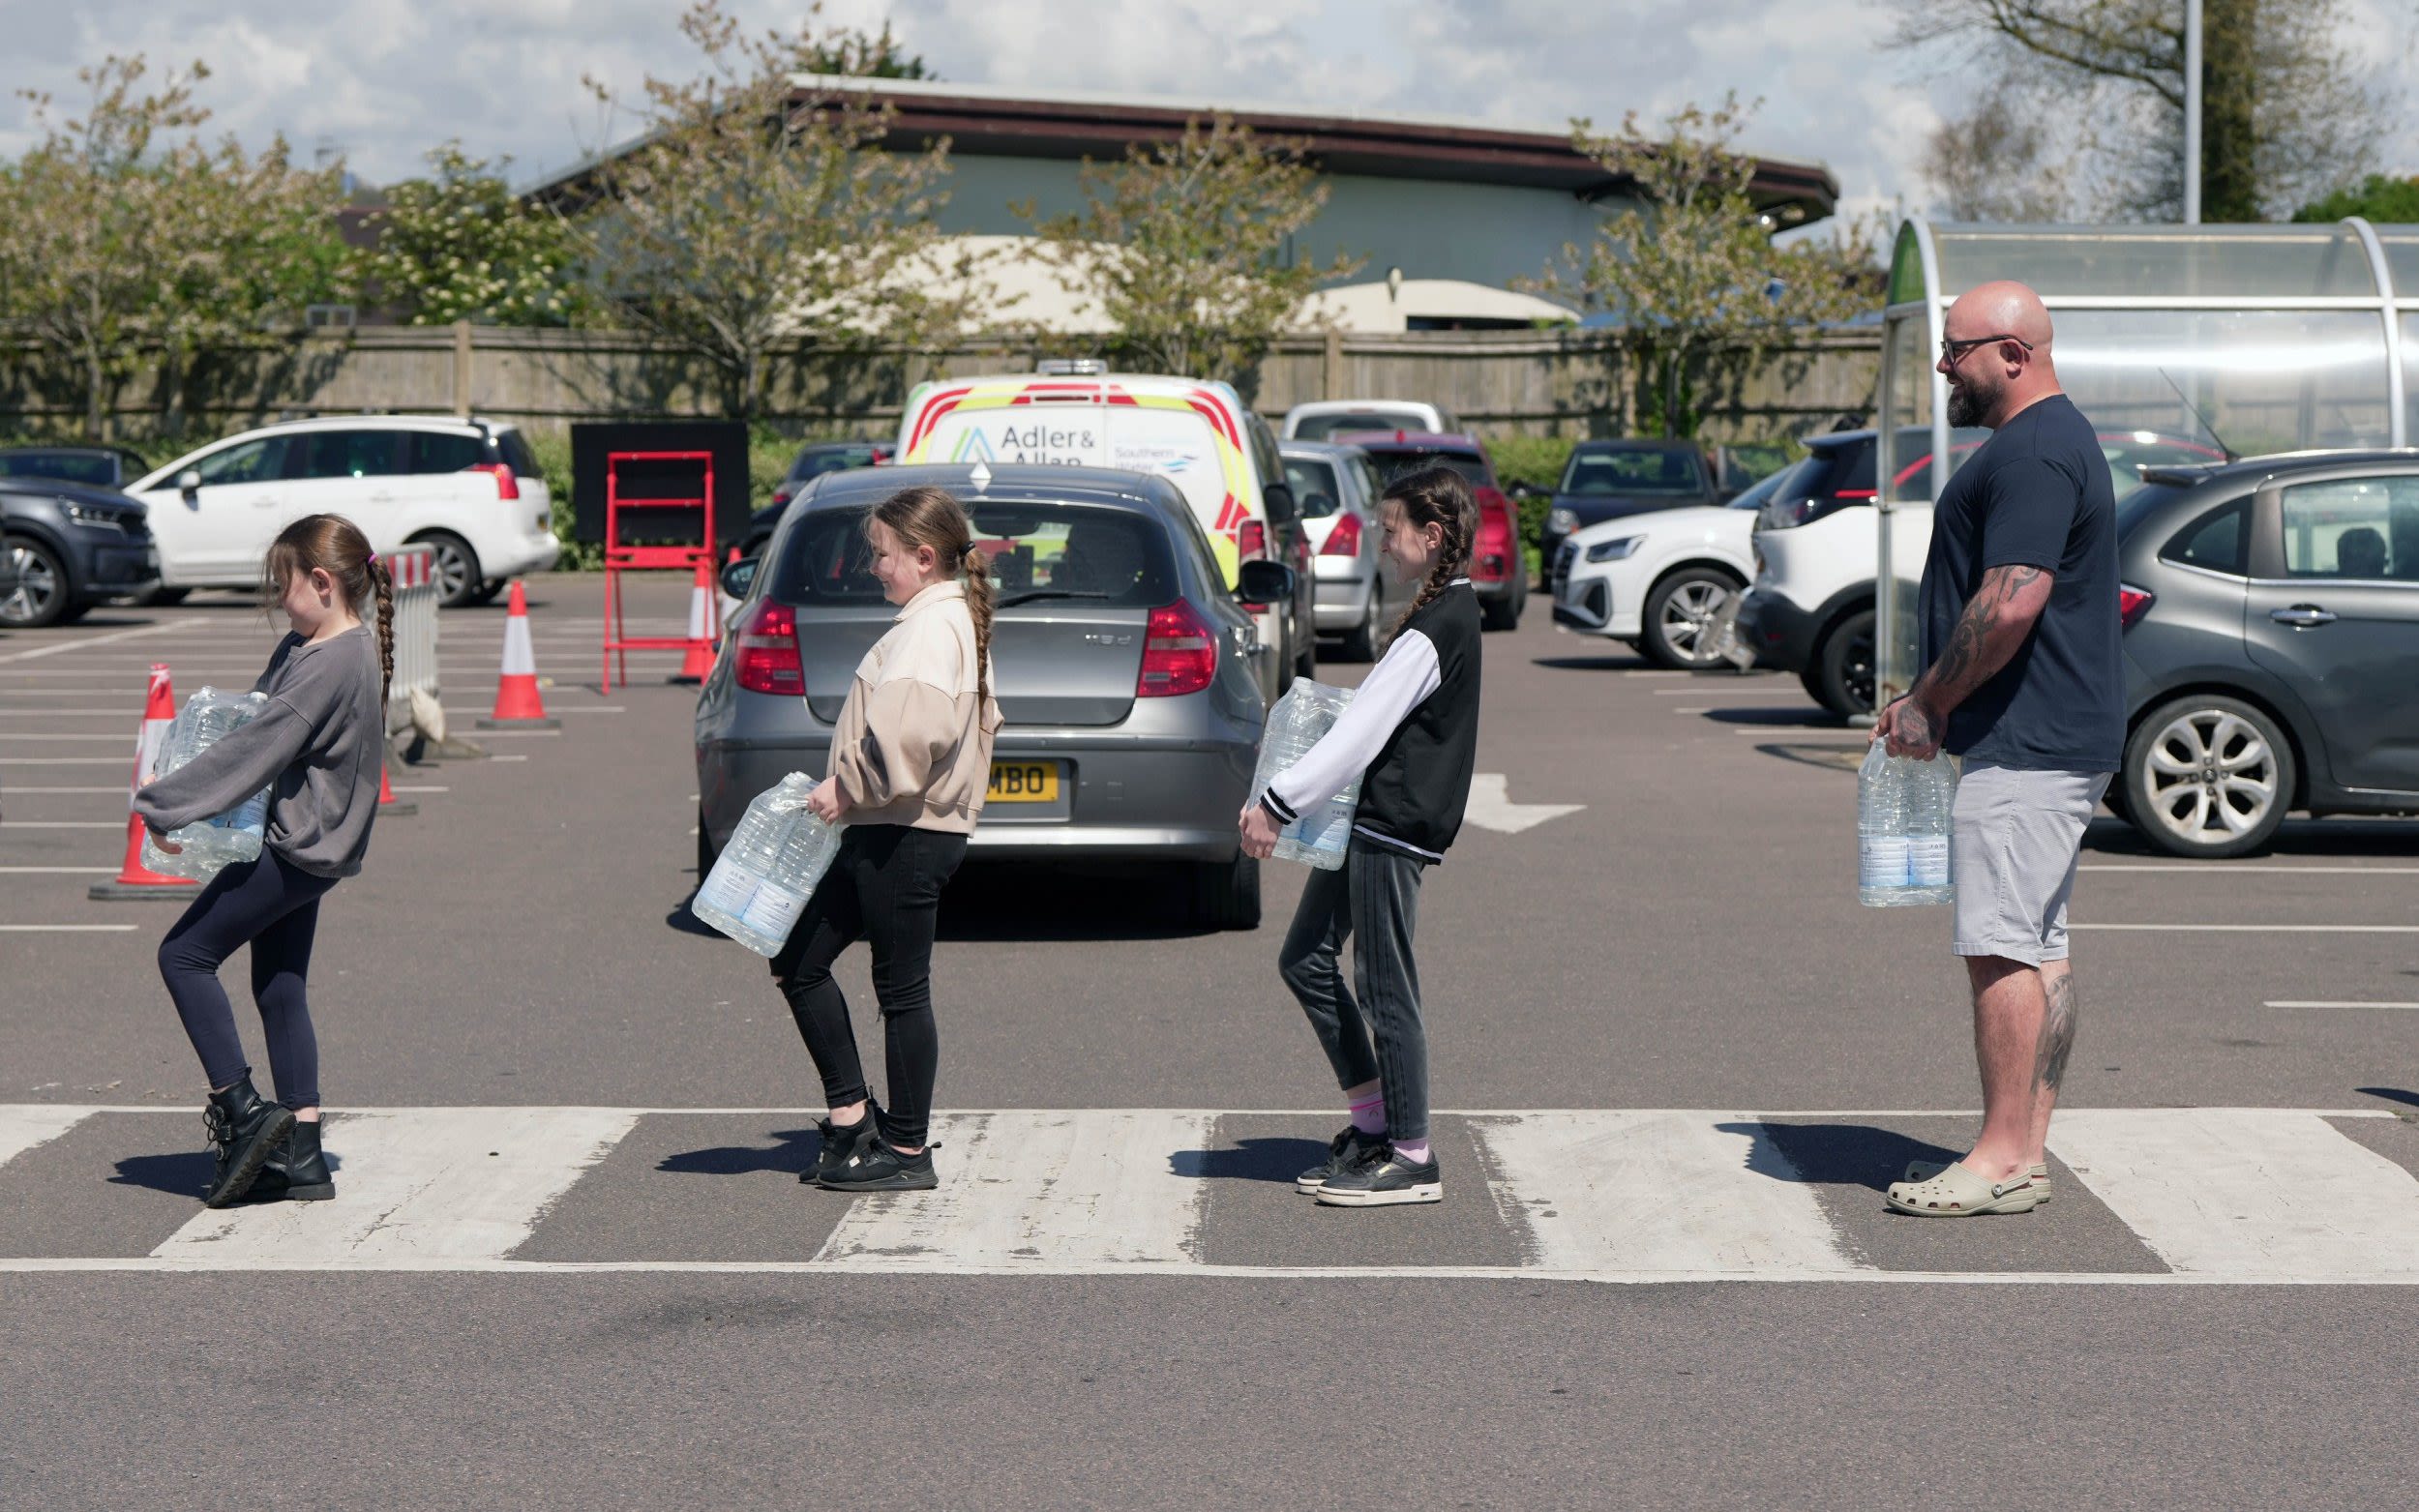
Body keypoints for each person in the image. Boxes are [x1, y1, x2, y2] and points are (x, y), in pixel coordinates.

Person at [1875, 281, 2122, 1218]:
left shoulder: (2032, 452)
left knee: (1999, 949)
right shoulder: (2053, 442)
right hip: (2051, 735)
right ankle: (2022, 1149)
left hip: (2027, 738)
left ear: (2013, 353)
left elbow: (2012, 595)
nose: (1944, 367)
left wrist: (1927, 704)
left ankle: (1995, 1157)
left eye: (1956, 350)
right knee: (2038, 949)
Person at [1240, 466, 1482, 1208]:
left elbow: (1362, 734)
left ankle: (1411, 1154)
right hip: (1369, 825)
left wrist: (1278, 801)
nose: (1382, 540)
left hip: (1390, 829)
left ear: (1431, 535)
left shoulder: (1437, 626)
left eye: (1390, 527)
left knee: (1385, 987)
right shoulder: (1436, 613)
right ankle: (1376, 1124)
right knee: (1306, 958)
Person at [137, 514, 392, 1209]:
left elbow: (255, 750)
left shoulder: (328, 664)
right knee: (280, 987)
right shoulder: (331, 647)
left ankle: (244, 1112)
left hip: (295, 847)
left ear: (322, 582)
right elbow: (251, 716)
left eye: (284, 585)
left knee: (184, 955)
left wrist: (164, 804)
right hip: (316, 847)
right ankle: (303, 1156)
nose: (280, 599)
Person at [773, 485, 1000, 1194]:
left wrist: (846, 786)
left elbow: (914, 732)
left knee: (900, 992)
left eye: (882, 554)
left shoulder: (933, 626)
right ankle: (851, 1117)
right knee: (798, 955)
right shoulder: (941, 616)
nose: (874, 566)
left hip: (905, 830)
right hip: (891, 827)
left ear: (923, 557)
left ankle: (904, 1150)